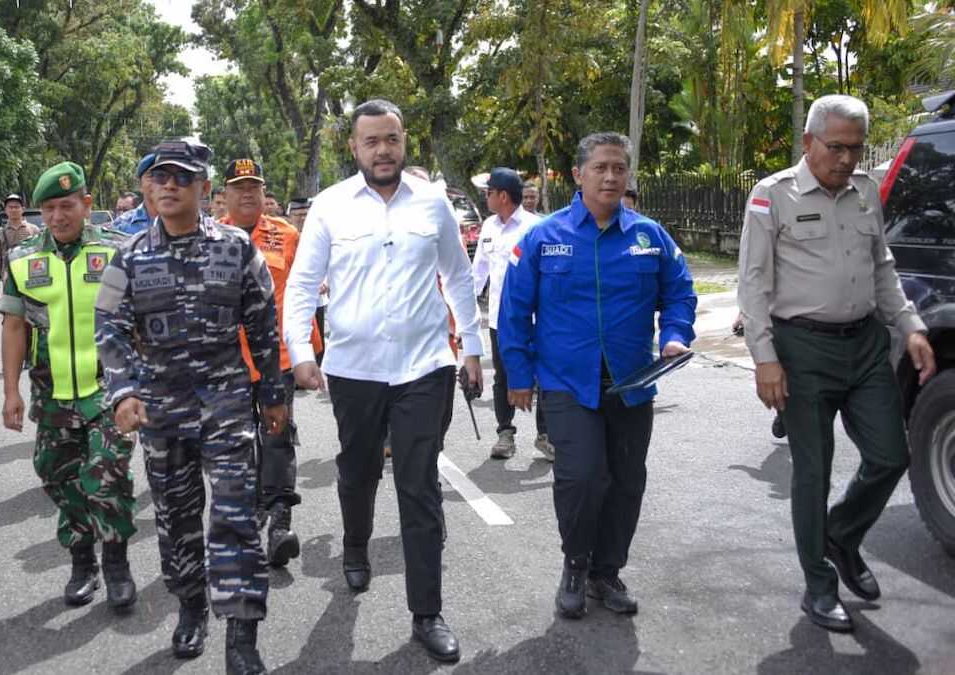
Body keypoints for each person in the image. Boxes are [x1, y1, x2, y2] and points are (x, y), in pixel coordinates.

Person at [283, 99, 483, 663]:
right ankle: (354, 545)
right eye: (371, 141)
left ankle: (427, 612)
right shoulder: (330, 206)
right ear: (354, 148)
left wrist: (471, 347)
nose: (383, 150)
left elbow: (458, 276)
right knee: (359, 468)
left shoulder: (433, 202)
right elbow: (302, 286)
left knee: (418, 483)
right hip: (354, 370)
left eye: (391, 139)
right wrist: (301, 351)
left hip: (424, 365)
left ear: (403, 141)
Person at [737, 94, 936, 633]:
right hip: (801, 351)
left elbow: (883, 268)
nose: (846, 159)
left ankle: (841, 535)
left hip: (866, 344)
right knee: (814, 470)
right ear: (808, 143)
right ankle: (819, 585)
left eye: (855, 148)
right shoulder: (770, 196)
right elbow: (752, 285)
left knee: (892, 455)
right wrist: (764, 359)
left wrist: (911, 324)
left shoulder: (866, 191)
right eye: (836, 147)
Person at [95, 140, 286, 673]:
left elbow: (262, 325)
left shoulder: (234, 248)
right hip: (161, 411)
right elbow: (108, 326)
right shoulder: (129, 255)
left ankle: (242, 633)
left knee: (234, 515)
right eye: (160, 177)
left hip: (225, 405)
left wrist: (272, 393)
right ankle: (190, 606)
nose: (170, 186)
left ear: (204, 188)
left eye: (182, 177)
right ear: (147, 187)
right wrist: (123, 390)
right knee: (176, 518)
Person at [499, 132, 696, 620]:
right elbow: (514, 311)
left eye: (620, 168)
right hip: (568, 383)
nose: (611, 176)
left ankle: (606, 573)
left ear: (629, 175)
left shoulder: (650, 237)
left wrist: (674, 333)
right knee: (582, 478)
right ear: (578, 174)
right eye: (601, 167)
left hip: (632, 383)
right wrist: (519, 376)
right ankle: (576, 563)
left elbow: (680, 293)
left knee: (627, 481)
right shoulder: (545, 238)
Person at [0, 162, 137, 611]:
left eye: (67, 205)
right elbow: (14, 327)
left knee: (106, 474)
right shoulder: (23, 260)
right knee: (57, 475)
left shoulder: (118, 251)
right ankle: (82, 560)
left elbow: (138, 321)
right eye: (49, 208)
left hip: (108, 390)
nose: (58, 216)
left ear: (86, 205)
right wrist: (10, 392)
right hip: (52, 392)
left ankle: (116, 562)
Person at [219, 158, 324, 569]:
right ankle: (249, 515)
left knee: (278, 437)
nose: (248, 193)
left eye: (255, 186)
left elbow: (303, 296)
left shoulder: (287, 236)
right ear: (224, 194)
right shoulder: (210, 239)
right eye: (239, 186)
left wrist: (309, 352)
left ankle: (280, 522)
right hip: (225, 364)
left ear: (264, 193)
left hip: (274, 359)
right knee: (237, 445)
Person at [470, 167, 548, 461]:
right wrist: (462, 309)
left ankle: (546, 435)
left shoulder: (535, 227)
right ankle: (505, 433)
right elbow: (479, 272)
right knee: (503, 377)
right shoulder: (489, 226)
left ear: (502, 196)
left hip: (535, 319)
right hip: (500, 320)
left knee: (543, 377)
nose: (486, 198)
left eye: (488, 193)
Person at [0, 193, 40, 304]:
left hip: (30, 280)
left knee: (32, 314)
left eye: (16, 207)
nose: (13, 210)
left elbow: (41, 257)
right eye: (10, 207)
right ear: (6, 210)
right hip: (9, 281)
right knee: (11, 314)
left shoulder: (34, 230)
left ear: (22, 209)